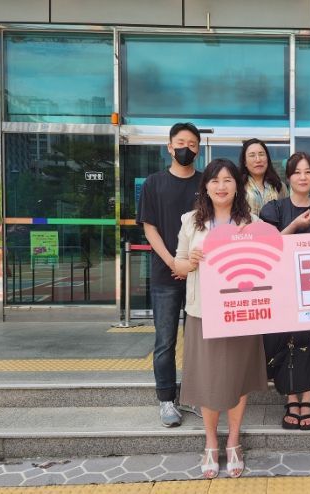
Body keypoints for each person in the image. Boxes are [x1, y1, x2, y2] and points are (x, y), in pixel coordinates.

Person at [173, 159, 268, 479]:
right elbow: (178, 265)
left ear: (237, 186)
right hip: (203, 313)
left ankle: (234, 441)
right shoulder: (191, 221)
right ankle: (211, 443)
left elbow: (267, 266)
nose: (221, 186)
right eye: (215, 181)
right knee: (209, 379)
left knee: (238, 378)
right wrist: (191, 261)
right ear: (206, 187)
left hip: (242, 313)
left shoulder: (253, 222)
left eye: (228, 180)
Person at [260, 152, 310, 430]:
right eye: (297, 172)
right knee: (284, 342)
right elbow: (266, 249)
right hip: (281, 289)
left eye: (308, 172)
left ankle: (307, 401)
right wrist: (295, 226)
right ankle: (290, 399)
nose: (303, 177)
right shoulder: (273, 209)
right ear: (288, 177)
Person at [136, 122, 203, 427]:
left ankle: (195, 395)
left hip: (200, 275)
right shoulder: (154, 183)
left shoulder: (206, 183)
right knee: (165, 340)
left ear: (198, 149)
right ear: (169, 146)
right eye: (180, 143)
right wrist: (173, 262)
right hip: (166, 275)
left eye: (192, 144)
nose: (186, 148)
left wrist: (190, 264)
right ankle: (166, 399)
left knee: (198, 341)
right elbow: (149, 227)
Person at [238, 138, 288, 215]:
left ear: (267, 158)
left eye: (261, 154)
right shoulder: (238, 186)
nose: (258, 160)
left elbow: (286, 215)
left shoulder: (280, 186)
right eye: (252, 155)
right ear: (245, 162)